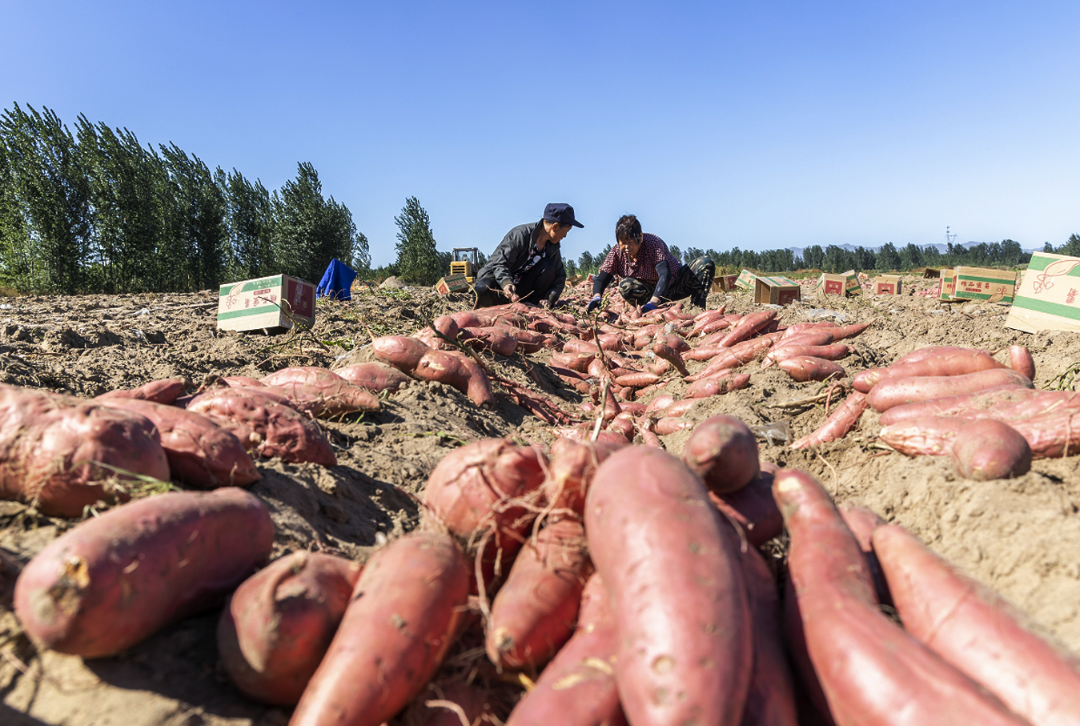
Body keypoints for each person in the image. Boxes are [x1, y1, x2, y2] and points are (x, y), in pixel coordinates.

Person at [586, 214, 715, 313]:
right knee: (625, 286)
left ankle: (697, 308)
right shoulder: (616, 253)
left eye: (630, 241)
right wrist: (596, 297)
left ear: (640, 237)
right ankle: (646, 313)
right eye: (622, 242)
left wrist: (654, 302)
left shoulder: (653, 243)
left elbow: (665, 274)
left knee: (705, 263)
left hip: (675, 285)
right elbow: (601, 279)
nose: (626, 246)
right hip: (647, 292)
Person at [472, 203, 582, 309]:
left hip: (521, 290)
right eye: (566, 231)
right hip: (500, 285)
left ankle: (532, 305)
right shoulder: (520, 235)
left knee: (548, 265)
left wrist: (549, 299)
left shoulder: (552, 247)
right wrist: (506, 283)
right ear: (555, 226)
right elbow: (500, 263)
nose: (565, 236)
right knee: (482, 290)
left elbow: (560, 276)